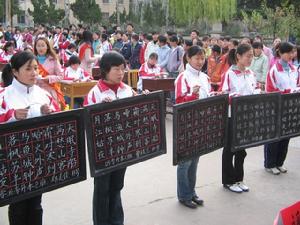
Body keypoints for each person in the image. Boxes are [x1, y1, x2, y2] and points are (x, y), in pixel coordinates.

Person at [0, 51, 60, 225]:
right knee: (18, 204)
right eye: (28, 69)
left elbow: (60, 119)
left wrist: (48, 112)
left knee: (36, 204)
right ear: (15, 72)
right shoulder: (4, 95)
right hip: (13, 160)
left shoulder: (44, 94)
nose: (34, 73)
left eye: (35, 68)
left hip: (38, 157)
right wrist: (12, 115)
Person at [84, 51, 136, 225]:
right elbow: (87, 123)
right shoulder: (94, 93)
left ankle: (116, 220)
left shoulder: (127, 90)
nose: (121, 73)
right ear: (105, 70)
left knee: (117, 186)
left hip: (122, 147)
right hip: (103, 151)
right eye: (116, 69)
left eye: (123, 69)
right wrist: (100, 110)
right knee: (102, 189)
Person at [221, 43, 261, 193]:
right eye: (248, 56)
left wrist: (257, 92)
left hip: (246, 116)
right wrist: (237, 98)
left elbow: (254, 88)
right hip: (232, 116)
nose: (250, 59)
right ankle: (228, 181)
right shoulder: (229, 74)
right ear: (238, 56)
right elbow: (224, 94)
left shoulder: (251, 73)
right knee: (230, 149)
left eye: (252, 56)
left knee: (241, 150)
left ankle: (239, 178)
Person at [175, 46, 211, 209]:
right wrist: (192, 95)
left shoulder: (205, 77)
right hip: (186, 125)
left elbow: (208, 98)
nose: (200, 61)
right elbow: (178, 102)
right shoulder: (183, 77)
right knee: (185, 162)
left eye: (202, 58)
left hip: (201, 123)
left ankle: (191, 191)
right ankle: (184, 195)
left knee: (195, 160)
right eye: (196, 58)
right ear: (188, 59)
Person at [264, 42, 300, 175]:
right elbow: (271, 90)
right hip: (276, 108)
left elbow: (298, 84)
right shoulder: (274, 70)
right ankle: (270, 164)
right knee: (274, 137)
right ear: (280, 53)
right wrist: (288, 92)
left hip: (290, 108)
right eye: (289, 52)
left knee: (286, 136)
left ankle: (279, 162)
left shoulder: (294, 69)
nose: (292, 55)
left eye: (293, 52)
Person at [34, 37, 66, 109]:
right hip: (35, 91)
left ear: (47, 47)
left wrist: (49, 78)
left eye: (43, 45)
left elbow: (61, 76)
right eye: (38, 46)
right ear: (35, 47)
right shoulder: (32, 60)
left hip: (50, 91)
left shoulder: (53, 59)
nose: (40, 48)